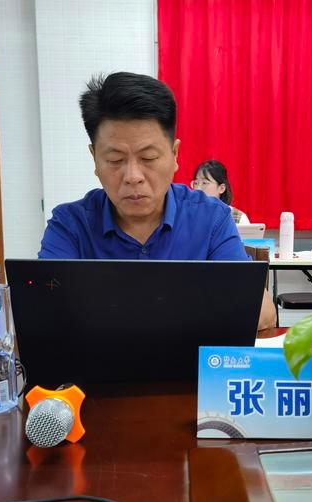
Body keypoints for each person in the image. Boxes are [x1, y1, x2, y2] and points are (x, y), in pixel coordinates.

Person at [38, 72, 276, 330]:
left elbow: (263, 314)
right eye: (115, 160)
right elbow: (43, 312)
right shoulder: (70, 225)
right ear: (94, 158)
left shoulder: (210, 218)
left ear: (175, 155)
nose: (133, 176)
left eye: (148, 158)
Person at [191, 160, 250, 225]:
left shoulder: (237, 218)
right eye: (196, 183)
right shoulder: (188, 214)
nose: (198, 188)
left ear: (221, 188)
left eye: (204, 183)